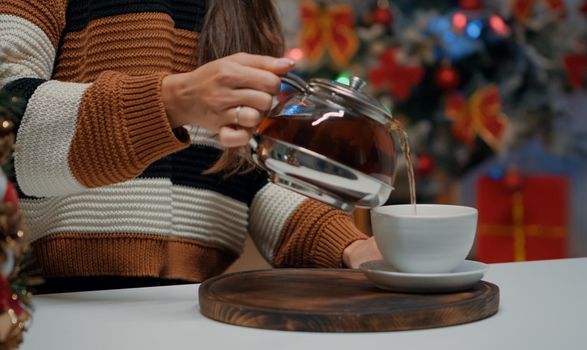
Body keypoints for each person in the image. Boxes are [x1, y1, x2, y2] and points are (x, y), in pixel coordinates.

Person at [0, 0, 382, 293]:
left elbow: (251, 174)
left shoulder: (245, 10)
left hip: (188, 306)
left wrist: (349, 247)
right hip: (46, 306)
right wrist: (169, 102)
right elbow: (6, 119)